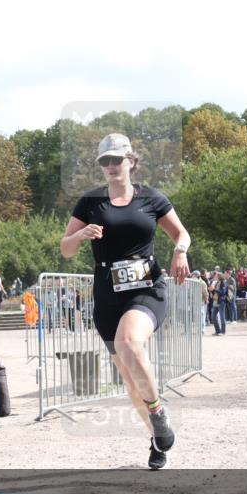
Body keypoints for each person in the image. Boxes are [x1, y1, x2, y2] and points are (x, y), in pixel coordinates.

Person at [61, 132, 190, 470]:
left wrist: (180, 251)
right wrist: (80, 235)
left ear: (131, 161)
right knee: (130, 379)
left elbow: (181, 233)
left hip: (146, 288)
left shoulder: (151, 198)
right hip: (107, 297)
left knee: (130, 342)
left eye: (116, 159)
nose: (111, 166)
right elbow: (65, 249)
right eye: (104, 161)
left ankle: (158, 411)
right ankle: (156, 439)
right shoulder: (90, 203)